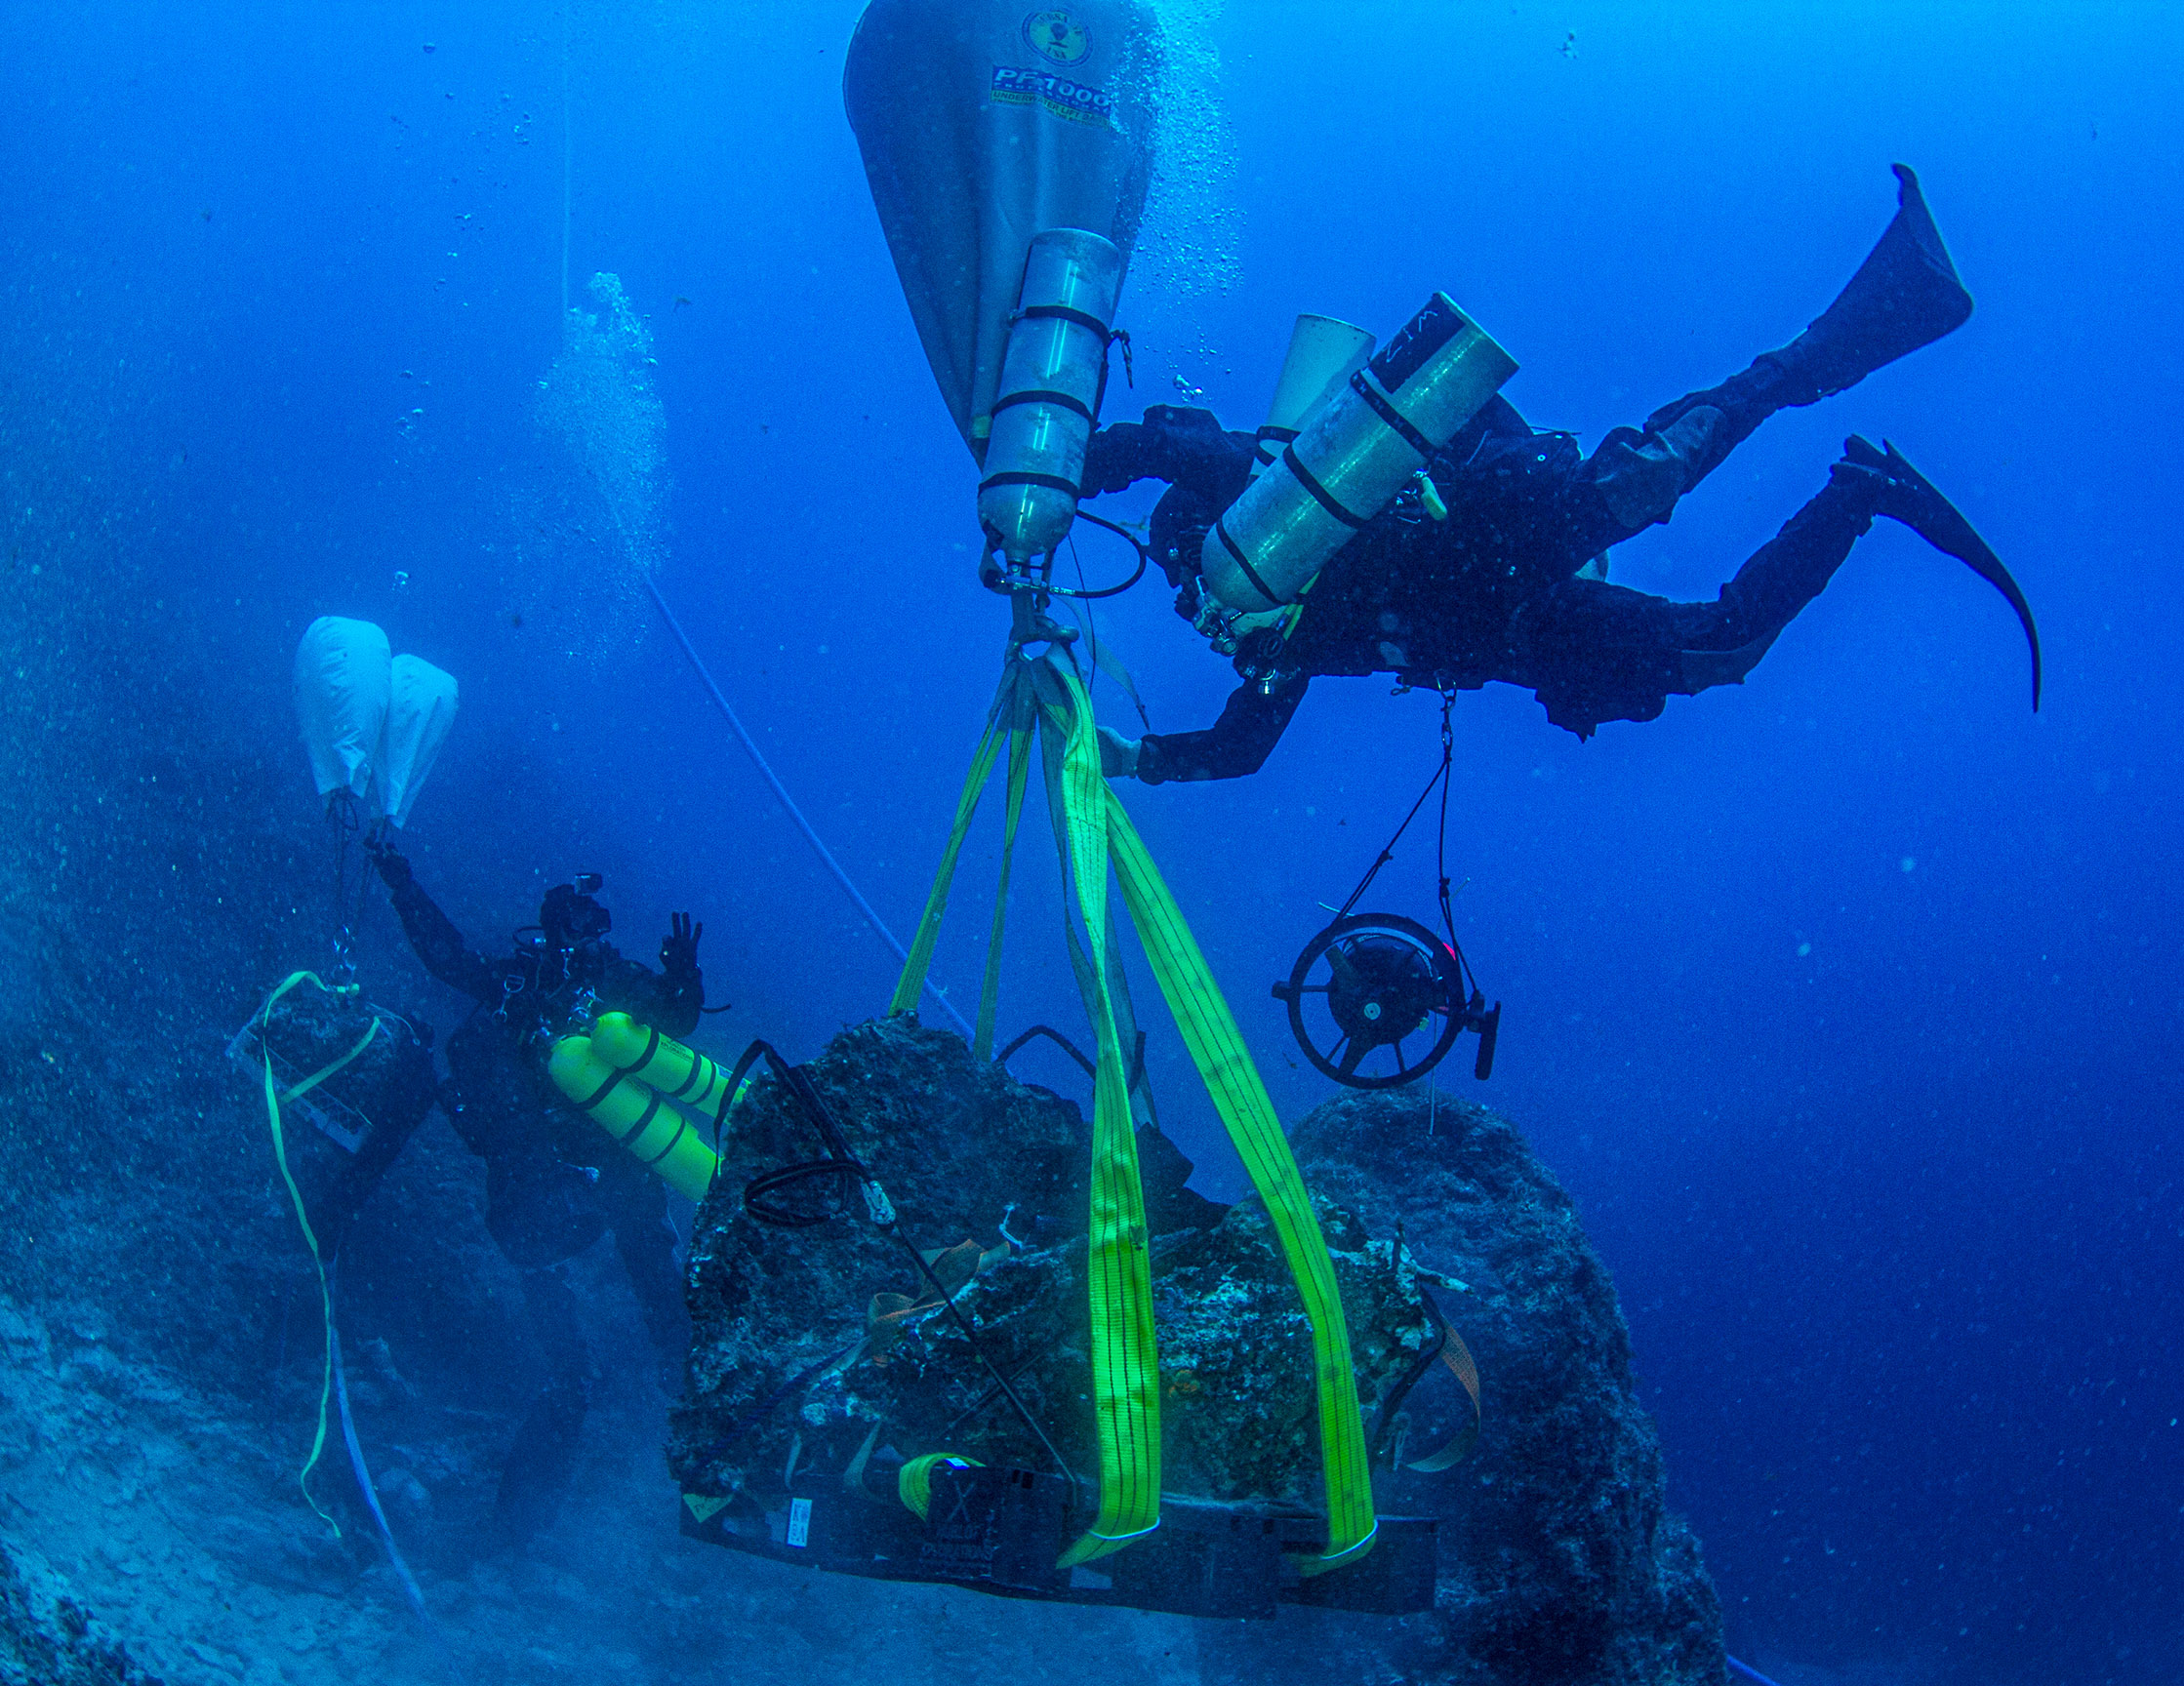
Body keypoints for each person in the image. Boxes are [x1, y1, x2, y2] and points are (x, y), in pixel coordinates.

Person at [1084, 166, 2041, 784]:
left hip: (1497, 540)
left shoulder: (1248, 504)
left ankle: (1873, 315)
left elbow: (1165, 450)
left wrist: (1053, 479)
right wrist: (1120, 758)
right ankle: (1862, 492)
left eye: (1184, 569)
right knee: (1723, 648)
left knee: (1670, 465)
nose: (1194, 593)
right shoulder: (1268, 636)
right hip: (1517, 630)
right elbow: (1241, 750)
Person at [362, 840, 708, 1542]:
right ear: (551, 925)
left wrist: (685, 981)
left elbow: (673, 1025)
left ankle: (708, 1446)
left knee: (669, 1313)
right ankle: (519, 1528)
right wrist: (403, 883)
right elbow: (448, 957)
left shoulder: (618, 982)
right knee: (569, 1375)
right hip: (538, 1187)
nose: (586, 934)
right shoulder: (518, 984)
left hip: (616, 1172)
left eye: (595, 920)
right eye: (572, 919)